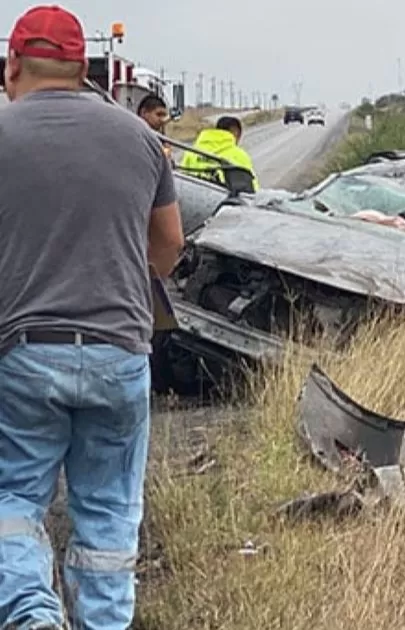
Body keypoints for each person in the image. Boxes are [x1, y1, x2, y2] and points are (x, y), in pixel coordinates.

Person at [0, 5, 185, 630]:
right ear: (84, 69)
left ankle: (31, 616)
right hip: (120, 352)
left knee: (13, 500)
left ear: (12, 66)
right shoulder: (139, 138)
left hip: (23, 353)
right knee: (108, 511)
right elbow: (169, 244)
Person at [178, 114, 260, 191]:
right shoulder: (239, 156)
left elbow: (181, 183)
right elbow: (253, 192)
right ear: (236, 133)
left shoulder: (191, 152)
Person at [136, 93, 173, 161]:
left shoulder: (161, 140)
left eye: (164, 116)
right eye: (159, 114)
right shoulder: (135, 137)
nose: (162, 120)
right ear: (144, 113)